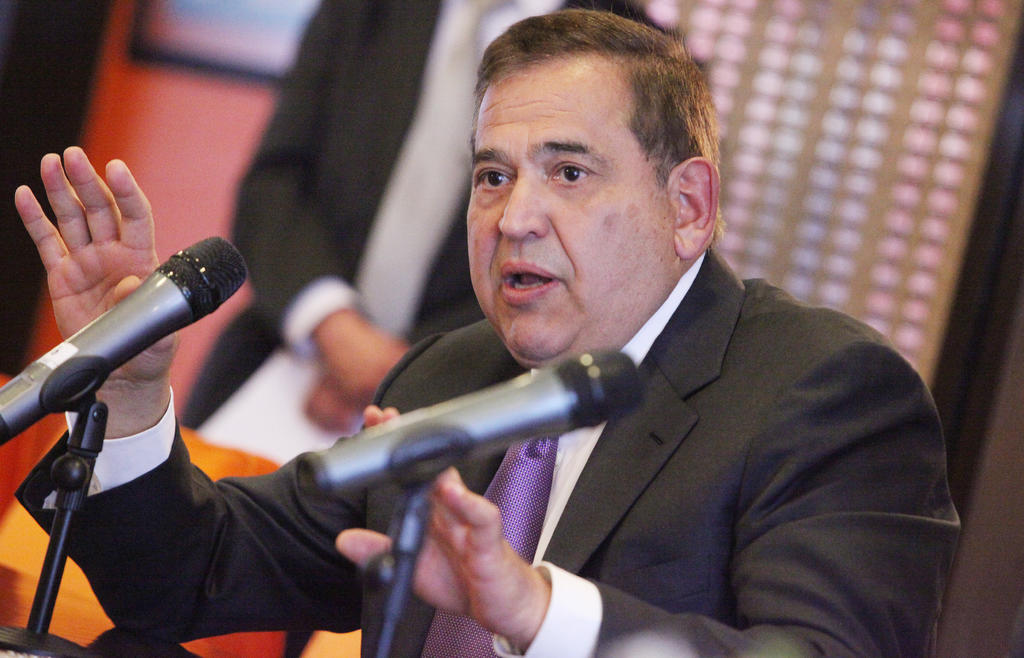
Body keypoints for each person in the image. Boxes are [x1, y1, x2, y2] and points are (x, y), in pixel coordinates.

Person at [14, 10, 958, 657]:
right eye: (493, 176)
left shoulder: (826, 392)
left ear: (688, 206)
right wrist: (129, 390)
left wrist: (536, 610)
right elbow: (190, 575)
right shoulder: (452, 376)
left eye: (570, 173)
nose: (514, 219)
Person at [184, 0, 658, 452]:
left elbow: (606, 266)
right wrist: (333, 329)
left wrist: (402, 371)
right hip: (282, 364)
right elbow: (275, 184)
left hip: (477, 411)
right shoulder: (367, 10)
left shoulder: (632, 50)